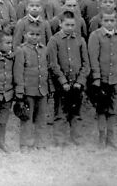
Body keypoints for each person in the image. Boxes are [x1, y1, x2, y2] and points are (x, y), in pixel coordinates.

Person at [46, 11, 90, 146]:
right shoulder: (54, 40)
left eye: (72, 25)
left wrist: (80, 81)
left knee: (76, 112)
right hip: (61, 85)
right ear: (60, 24)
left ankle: (76, 138)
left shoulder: (80, 40)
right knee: (61, 113)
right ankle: (59, 140)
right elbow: (53, 63)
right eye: (67, 25)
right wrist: (63, 81)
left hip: (77, 84)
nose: (70, 28)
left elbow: (86, 64)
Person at [87, 13, 117, 148]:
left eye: (112, 20)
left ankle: (111, 138)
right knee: (101, 109)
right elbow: (93, 58)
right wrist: (97, 77)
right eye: (106, 20)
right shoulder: (95, 36)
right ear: (101, 21)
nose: (109, 23)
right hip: (101, 80)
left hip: (115, 80)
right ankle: (101, 138)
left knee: (112, 109)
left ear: (116, 21)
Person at [13, 25, 50, 152]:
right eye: (31, 34)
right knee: (27, 118)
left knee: (41, 118)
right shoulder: (21, 50)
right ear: (25, 35)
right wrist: (19, 90)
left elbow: (47, 69)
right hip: (28, 90)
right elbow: (18, 71)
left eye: (37, 35)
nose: (34, 37)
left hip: (42, 89)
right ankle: (25, 143)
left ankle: (41, 143)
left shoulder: (44, 49)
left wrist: (49, 87)